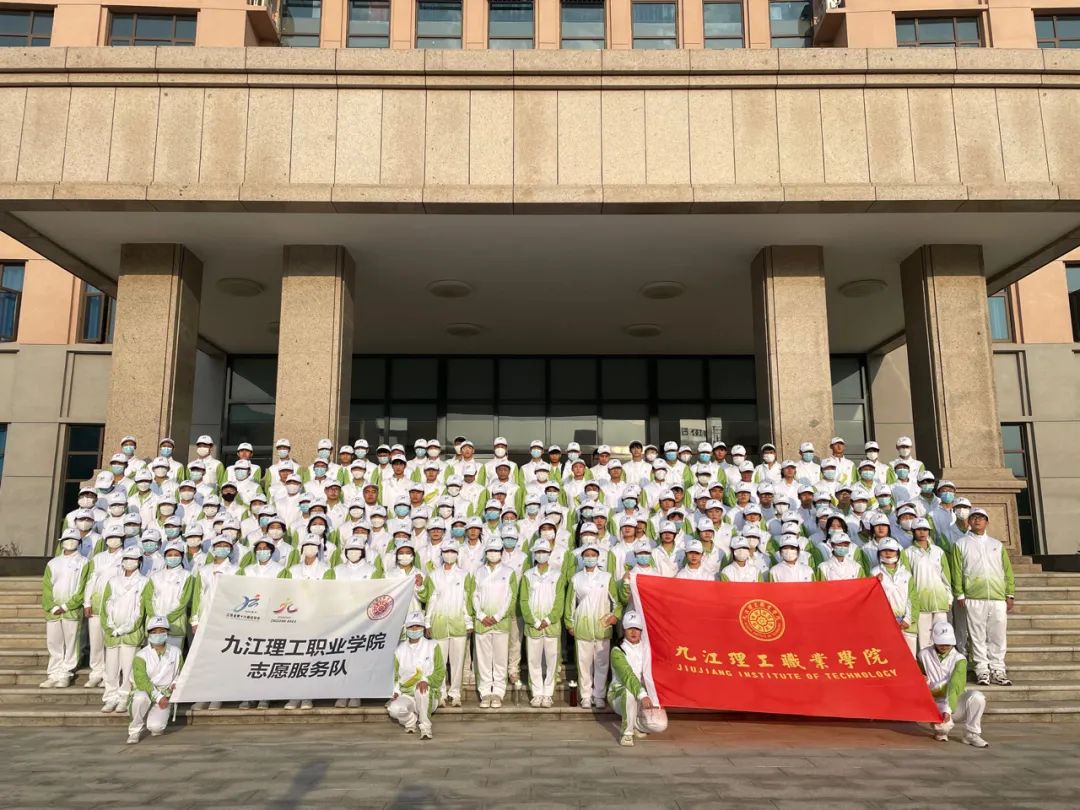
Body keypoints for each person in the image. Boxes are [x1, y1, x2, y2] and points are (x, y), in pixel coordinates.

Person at [950, 508, 1014, 686]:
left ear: (987, 522)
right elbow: (956, 571)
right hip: (973, 597)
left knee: (998, 635)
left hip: (997, 597)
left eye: (981, 518)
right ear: (969, 521)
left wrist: (1010, 593)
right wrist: (959, 593)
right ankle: (982, 670)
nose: (977, 520)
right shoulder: (960, 544)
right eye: (974, 517)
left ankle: (998, 669)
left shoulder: (996, 544)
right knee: (977, 636)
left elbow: (1007, 570)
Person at [565, 543, 621, 708]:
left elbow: (616, 602)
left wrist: (615, 616)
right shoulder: (576, 578)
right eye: (587, 555)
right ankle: (586, 696)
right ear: (582, 558)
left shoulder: (607, 577)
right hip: (582, 627)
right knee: (584, 664)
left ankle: (599, 696)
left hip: (602, 627)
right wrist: (569, 624)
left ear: (598, 557)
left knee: (602, 664)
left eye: (593, 555)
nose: (590, 558)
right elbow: (570, 604)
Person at [920, 620, 989, 748]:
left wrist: (947, 709)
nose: (944, 646)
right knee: (942, 729)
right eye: (941, 643)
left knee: (977, 697)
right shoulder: (923, 655)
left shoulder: (960, 659)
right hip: (934, 702)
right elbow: (918, 676)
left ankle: (971, 734)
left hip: (954, 701)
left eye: (947, 643)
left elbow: (954, 685)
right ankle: (941, 731)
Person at [469, 538, 517, 709]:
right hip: (482, 622)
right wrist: (481, 615)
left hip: (500, 623)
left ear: (501, 553)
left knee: (500, 659)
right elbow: (474, 595)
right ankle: (485, 692)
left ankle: (498, 691)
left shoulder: (509, 572)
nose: (493, 554)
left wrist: (497, 617)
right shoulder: (478, 572)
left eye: (496, 551)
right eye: (490, 550)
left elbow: (511, 597)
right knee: (483, 660)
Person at [100, 546, 149, 713]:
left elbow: (140, 609)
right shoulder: (113, 582)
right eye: (127, 558)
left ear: (139, 562)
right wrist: (110, 627)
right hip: (112, 633)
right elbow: (106, 605)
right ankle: (110, 697)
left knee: (128, 669)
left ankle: (124, 698)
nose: (129, 562)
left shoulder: (144, 582)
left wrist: (127, 628)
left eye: (134, 559)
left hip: (131, 633)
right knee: (111, 668)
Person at [609, 610, 668, 747]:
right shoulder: (617, 650)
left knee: (660, 724)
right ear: (624, 629)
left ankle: (635, 724)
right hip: (619, 693)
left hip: (644, 695)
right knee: (629, 692)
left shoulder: (647, 647)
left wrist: (654, 695)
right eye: (630, 628)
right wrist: (642, 695)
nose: (633, 632)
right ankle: (627, 733)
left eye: (637, 628)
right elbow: (627, 675)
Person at [40, 529, 90, 688]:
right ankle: (53, 673)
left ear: (79, 542)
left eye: (74, 539)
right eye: (67, 539)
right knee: (53, 642)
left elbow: (83, 587)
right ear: (61, 542)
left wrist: (67, 606)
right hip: (54, 611)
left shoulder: (84, 562)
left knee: (71, 643)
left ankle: (66, 673)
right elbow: (47, 587)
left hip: (72, 611)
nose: (70, 542)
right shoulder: (53, 563)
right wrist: (51, 606)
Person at [519, 539, 566, 708]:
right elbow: (523, 601)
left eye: (544, 552)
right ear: (534, 554)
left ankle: (548, 693)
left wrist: (548, 619)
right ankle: (537, 693)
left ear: (549, 554)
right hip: (533, 626)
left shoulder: (557, 575)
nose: (541, 554)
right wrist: (534, 621)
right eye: (538, 552)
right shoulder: (527, 575)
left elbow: (559, 600)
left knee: (552, 661)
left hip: (551, 626)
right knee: (533, 661)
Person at [424, 543, 471, 708]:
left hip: (458, 624)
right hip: (439, 624)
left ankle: (455, 693)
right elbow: (430, 600)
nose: (449, 554)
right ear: (442, 553)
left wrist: (468, 621)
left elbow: (467, 600)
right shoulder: (433, 575)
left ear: (457, 554)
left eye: (452, 551)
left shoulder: (464, 575)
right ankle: (441, 693)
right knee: (440, 661)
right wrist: (427, 622)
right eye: (446, 551)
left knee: (458, 662)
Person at [127, 615, 183, 744]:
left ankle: (151, 716)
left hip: (165, 692)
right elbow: (142, 681)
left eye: (162, 631)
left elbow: (180, 672)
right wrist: (158, 697)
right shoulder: (141, 655)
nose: (158, 634)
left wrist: (175, 683)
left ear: (167, 633)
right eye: (154, 632)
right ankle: (134, 731)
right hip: (145, 691)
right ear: (149, 634)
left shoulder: (176, 652)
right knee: (140, 698)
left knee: (156, 728)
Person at [388, 612, 444, 740]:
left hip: (428, 694)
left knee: (422, 690)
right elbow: (395, 676)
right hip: (407, 694)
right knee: (393, 709)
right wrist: (395, 691)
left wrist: (426, 680)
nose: (414, 629)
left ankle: (425, 727)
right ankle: (410, 721)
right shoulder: (399, 650)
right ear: (406, 628)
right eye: (411, 626)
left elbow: (440, 672)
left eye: (418, 626)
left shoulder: (433, 646)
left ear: (423, 627)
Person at [902, 518, 953, 651]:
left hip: (940, 602)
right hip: (921, 603)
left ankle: (940, 662)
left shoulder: (938, 551)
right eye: (919, 530)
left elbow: (945, 577)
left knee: (941, 637)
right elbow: (907, 580)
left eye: (925, 529)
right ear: (913, 531)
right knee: (924, 640)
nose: (922, 532)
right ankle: (925, 662)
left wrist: (949, 598)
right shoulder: (907, 553)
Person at [141, 541, 195, 651]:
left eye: (176, 555)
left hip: (175, 624)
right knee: (152, 657)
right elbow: (148, 599)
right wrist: (156, 618)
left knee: (173, 655)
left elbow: (183, 602)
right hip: (154, 626)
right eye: (169, 555)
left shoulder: (187, 576)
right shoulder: (155, 576)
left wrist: (167, 619)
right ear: (165, 557)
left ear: (182, 556)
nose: (173, 557)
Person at [871, 538, 918, 656]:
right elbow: (872, 600)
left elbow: (912, 598)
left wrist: (908, 619)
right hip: (885, 623)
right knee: (890, 657)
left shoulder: (906, 574)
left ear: (897, 552)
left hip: (906, 624)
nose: (888, 553)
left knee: (909, 657)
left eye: (891, 550)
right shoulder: (874, 573)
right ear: (879, 553)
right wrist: (875, 583)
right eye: (884, 550)